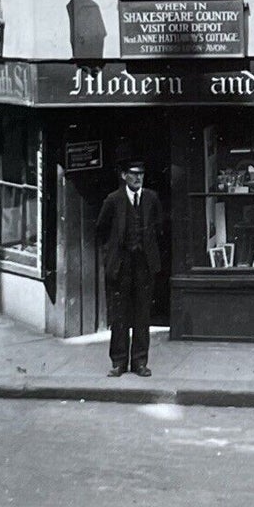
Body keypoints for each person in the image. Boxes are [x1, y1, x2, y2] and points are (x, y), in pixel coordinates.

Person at [96, 158, 164, 377]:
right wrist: (112, 254)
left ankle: (140, 362)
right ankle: (118, 362)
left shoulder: (152, 198)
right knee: (119, 315)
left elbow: (160, 228)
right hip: (121, 265)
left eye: (141, 174)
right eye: (133, 174)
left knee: (142, 315)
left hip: (144, 264)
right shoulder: (113, 200)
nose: (138, 178)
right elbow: (101, 230)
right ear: (124, 176)